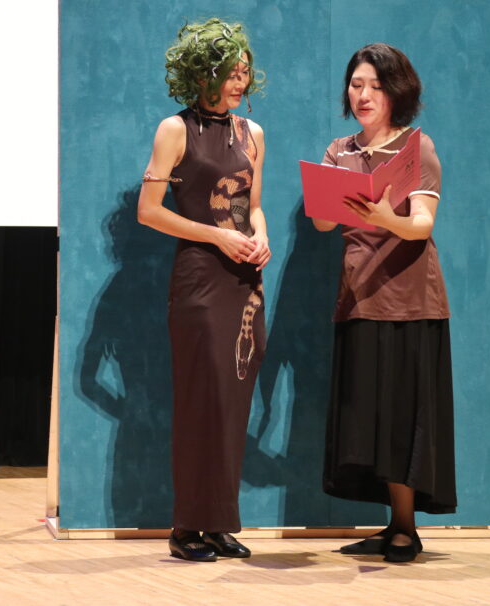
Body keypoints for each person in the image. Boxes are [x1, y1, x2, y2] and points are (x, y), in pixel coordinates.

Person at [313, 43, 456, 563]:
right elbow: (323, 222)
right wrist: (334, 198)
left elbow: (421, 226)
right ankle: (393, 523)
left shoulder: (417, 148)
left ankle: (406, 529)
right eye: (356, 85)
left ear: (397, 92)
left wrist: (383, 217)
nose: (364, 95)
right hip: (358, 295)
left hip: (410, 300)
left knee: (401, 415)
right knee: (368, 416)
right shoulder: (340, 150)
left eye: (375, 86)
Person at [137, 18, 270, 562]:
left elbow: (252, 205)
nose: (239, 82)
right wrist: (216, 235)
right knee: (202, 400)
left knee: (232, 403)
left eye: (244, 72)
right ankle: (186, 526)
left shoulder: (253, 133)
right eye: (229, 73)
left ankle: (217, 524)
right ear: (200, 74)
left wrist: (261, 237)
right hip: (199, 278)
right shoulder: (175, 130)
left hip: (245, 282)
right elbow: (148, 212)